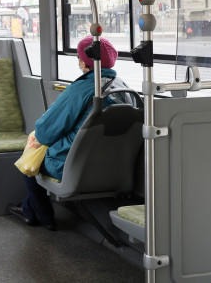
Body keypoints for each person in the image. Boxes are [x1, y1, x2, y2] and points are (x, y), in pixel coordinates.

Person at [8, 36, 132, 230]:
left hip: (72, 165)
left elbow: (45, 131)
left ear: (84, 62)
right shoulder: (125, 89)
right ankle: (29, 209)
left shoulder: (81, 89)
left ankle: (40, 215)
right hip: (116, 168)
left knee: (31, 158)